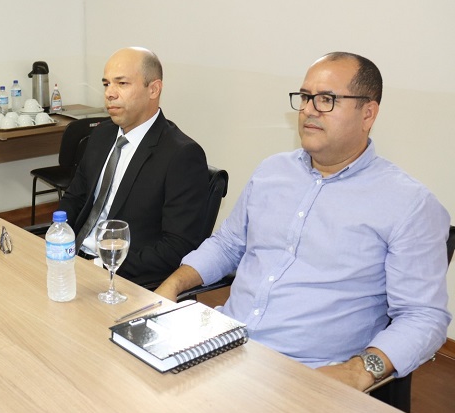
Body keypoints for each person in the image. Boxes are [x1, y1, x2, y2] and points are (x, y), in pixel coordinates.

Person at [155, 52, 451, 392]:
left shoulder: (409, 204)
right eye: (306, 97)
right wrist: (172, 285)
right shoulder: (272, 171)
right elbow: (227, 245)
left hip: (303, 373)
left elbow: (423, 317)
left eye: (326, 99)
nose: (309, 109)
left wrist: (359, 370)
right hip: (220, 343)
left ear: (368, 113)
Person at [58, 47, 209, 287]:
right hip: (72, 259)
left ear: (154, 89)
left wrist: (100, 266)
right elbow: (75, 197)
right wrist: (57, 238)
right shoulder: (101, 135)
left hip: (124, 277)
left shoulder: (181, 155)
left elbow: (177, 246)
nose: (109, 93)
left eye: (122, 83)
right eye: (106, 84)